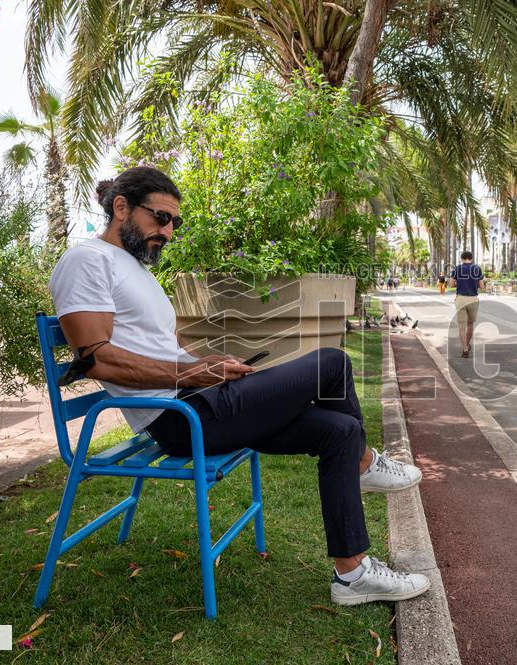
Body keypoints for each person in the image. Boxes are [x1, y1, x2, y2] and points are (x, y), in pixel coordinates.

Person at [48, 167, 430, 607]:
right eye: (160, 218)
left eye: (174, 222)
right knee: (332, 362)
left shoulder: (134, 270)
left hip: (198, 400)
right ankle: (365, 465)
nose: (168, 232)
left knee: (338, 431)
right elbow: (95, 357)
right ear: (121, 208)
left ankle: (353, 575)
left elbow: (163, 346)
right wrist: (186, 376)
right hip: (180, 419)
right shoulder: (86, 260)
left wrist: (204, 364)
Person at [450, 251, 483, 358]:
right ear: (471, 258)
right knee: (470, 324)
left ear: (462, 259)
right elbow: (481, 286)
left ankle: (464, 348)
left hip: (461, 298)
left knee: (461, 326)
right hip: (473, 298)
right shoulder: (477, 269)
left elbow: (451, 284)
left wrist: (460, 283)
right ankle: (468, 344)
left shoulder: (457, 269)